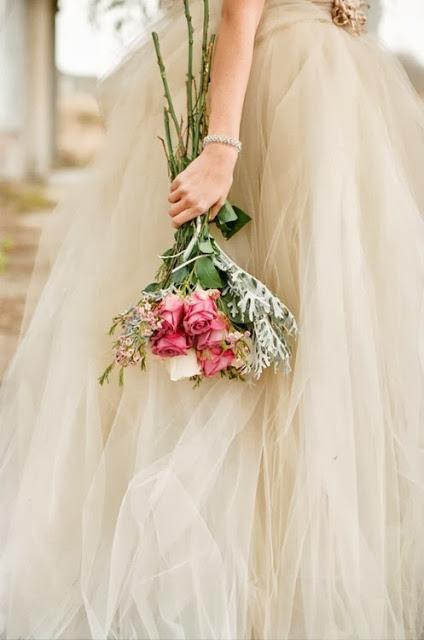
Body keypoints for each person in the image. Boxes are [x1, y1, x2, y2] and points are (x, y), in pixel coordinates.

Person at [1, 0, 424, 638]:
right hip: (279, 96)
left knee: (306, 365)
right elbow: (237, 9)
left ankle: (275, 593)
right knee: (245, 361)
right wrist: (221, 146)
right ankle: (227, 589)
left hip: (321, 99)